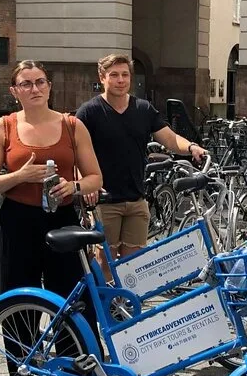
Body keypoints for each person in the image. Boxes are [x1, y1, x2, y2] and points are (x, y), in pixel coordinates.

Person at [0, 60, 103, 376]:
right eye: (26, 83)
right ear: (15, 91)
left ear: (49, 86)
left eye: (40, 82)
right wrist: (19, 176)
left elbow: (95, 177)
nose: (34, 89)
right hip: (17, 223)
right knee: (18, 308)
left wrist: (73, 187)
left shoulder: (72, 125)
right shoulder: (4, 126)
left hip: (62, 223)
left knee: (74, 306)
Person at [76, 53, 207, 280]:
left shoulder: (143, 109)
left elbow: (170, 138)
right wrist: (84, 182)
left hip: (136, 199)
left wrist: (191, 147)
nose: (120, 80)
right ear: (102, 77)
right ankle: (106, 302)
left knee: (134, 265)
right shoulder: (89, 112)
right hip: (104, 201)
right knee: (104, 260)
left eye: (125, 75)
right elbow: (76, 151)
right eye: (114, 75)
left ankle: (126, 302)